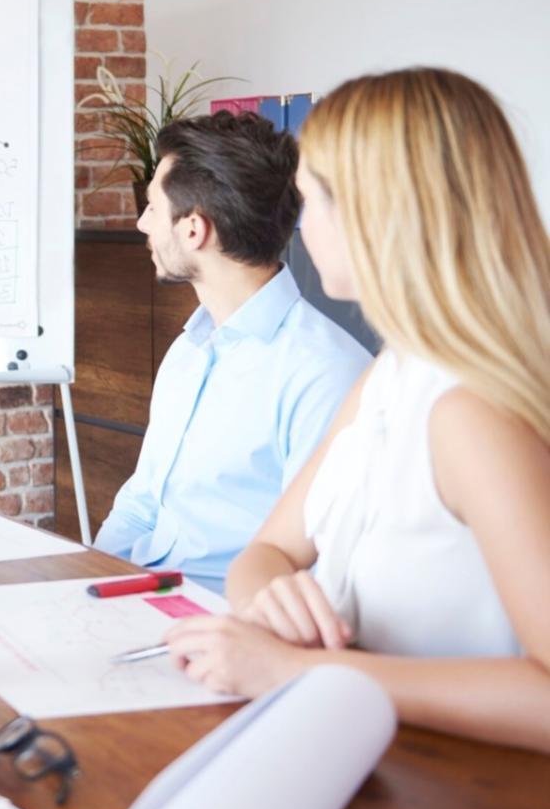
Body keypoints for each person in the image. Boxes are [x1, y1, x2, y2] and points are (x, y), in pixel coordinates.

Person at [166, 68, 550, 752]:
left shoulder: (470, 413)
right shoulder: (387, 379)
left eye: (310, 201)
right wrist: (268, 595)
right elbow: (269, 550)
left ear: (377, 215)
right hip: (361, 751)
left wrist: (300, 670)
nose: (301, 227)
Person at [92, 112, 371, 594]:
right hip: (138, 599)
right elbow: (141, 501)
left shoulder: (327, 373)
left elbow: (321, 564)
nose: (141, 223)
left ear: (194, 229)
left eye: (153, 208)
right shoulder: (188, 349)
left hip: (225, 622)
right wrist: (89, 580)